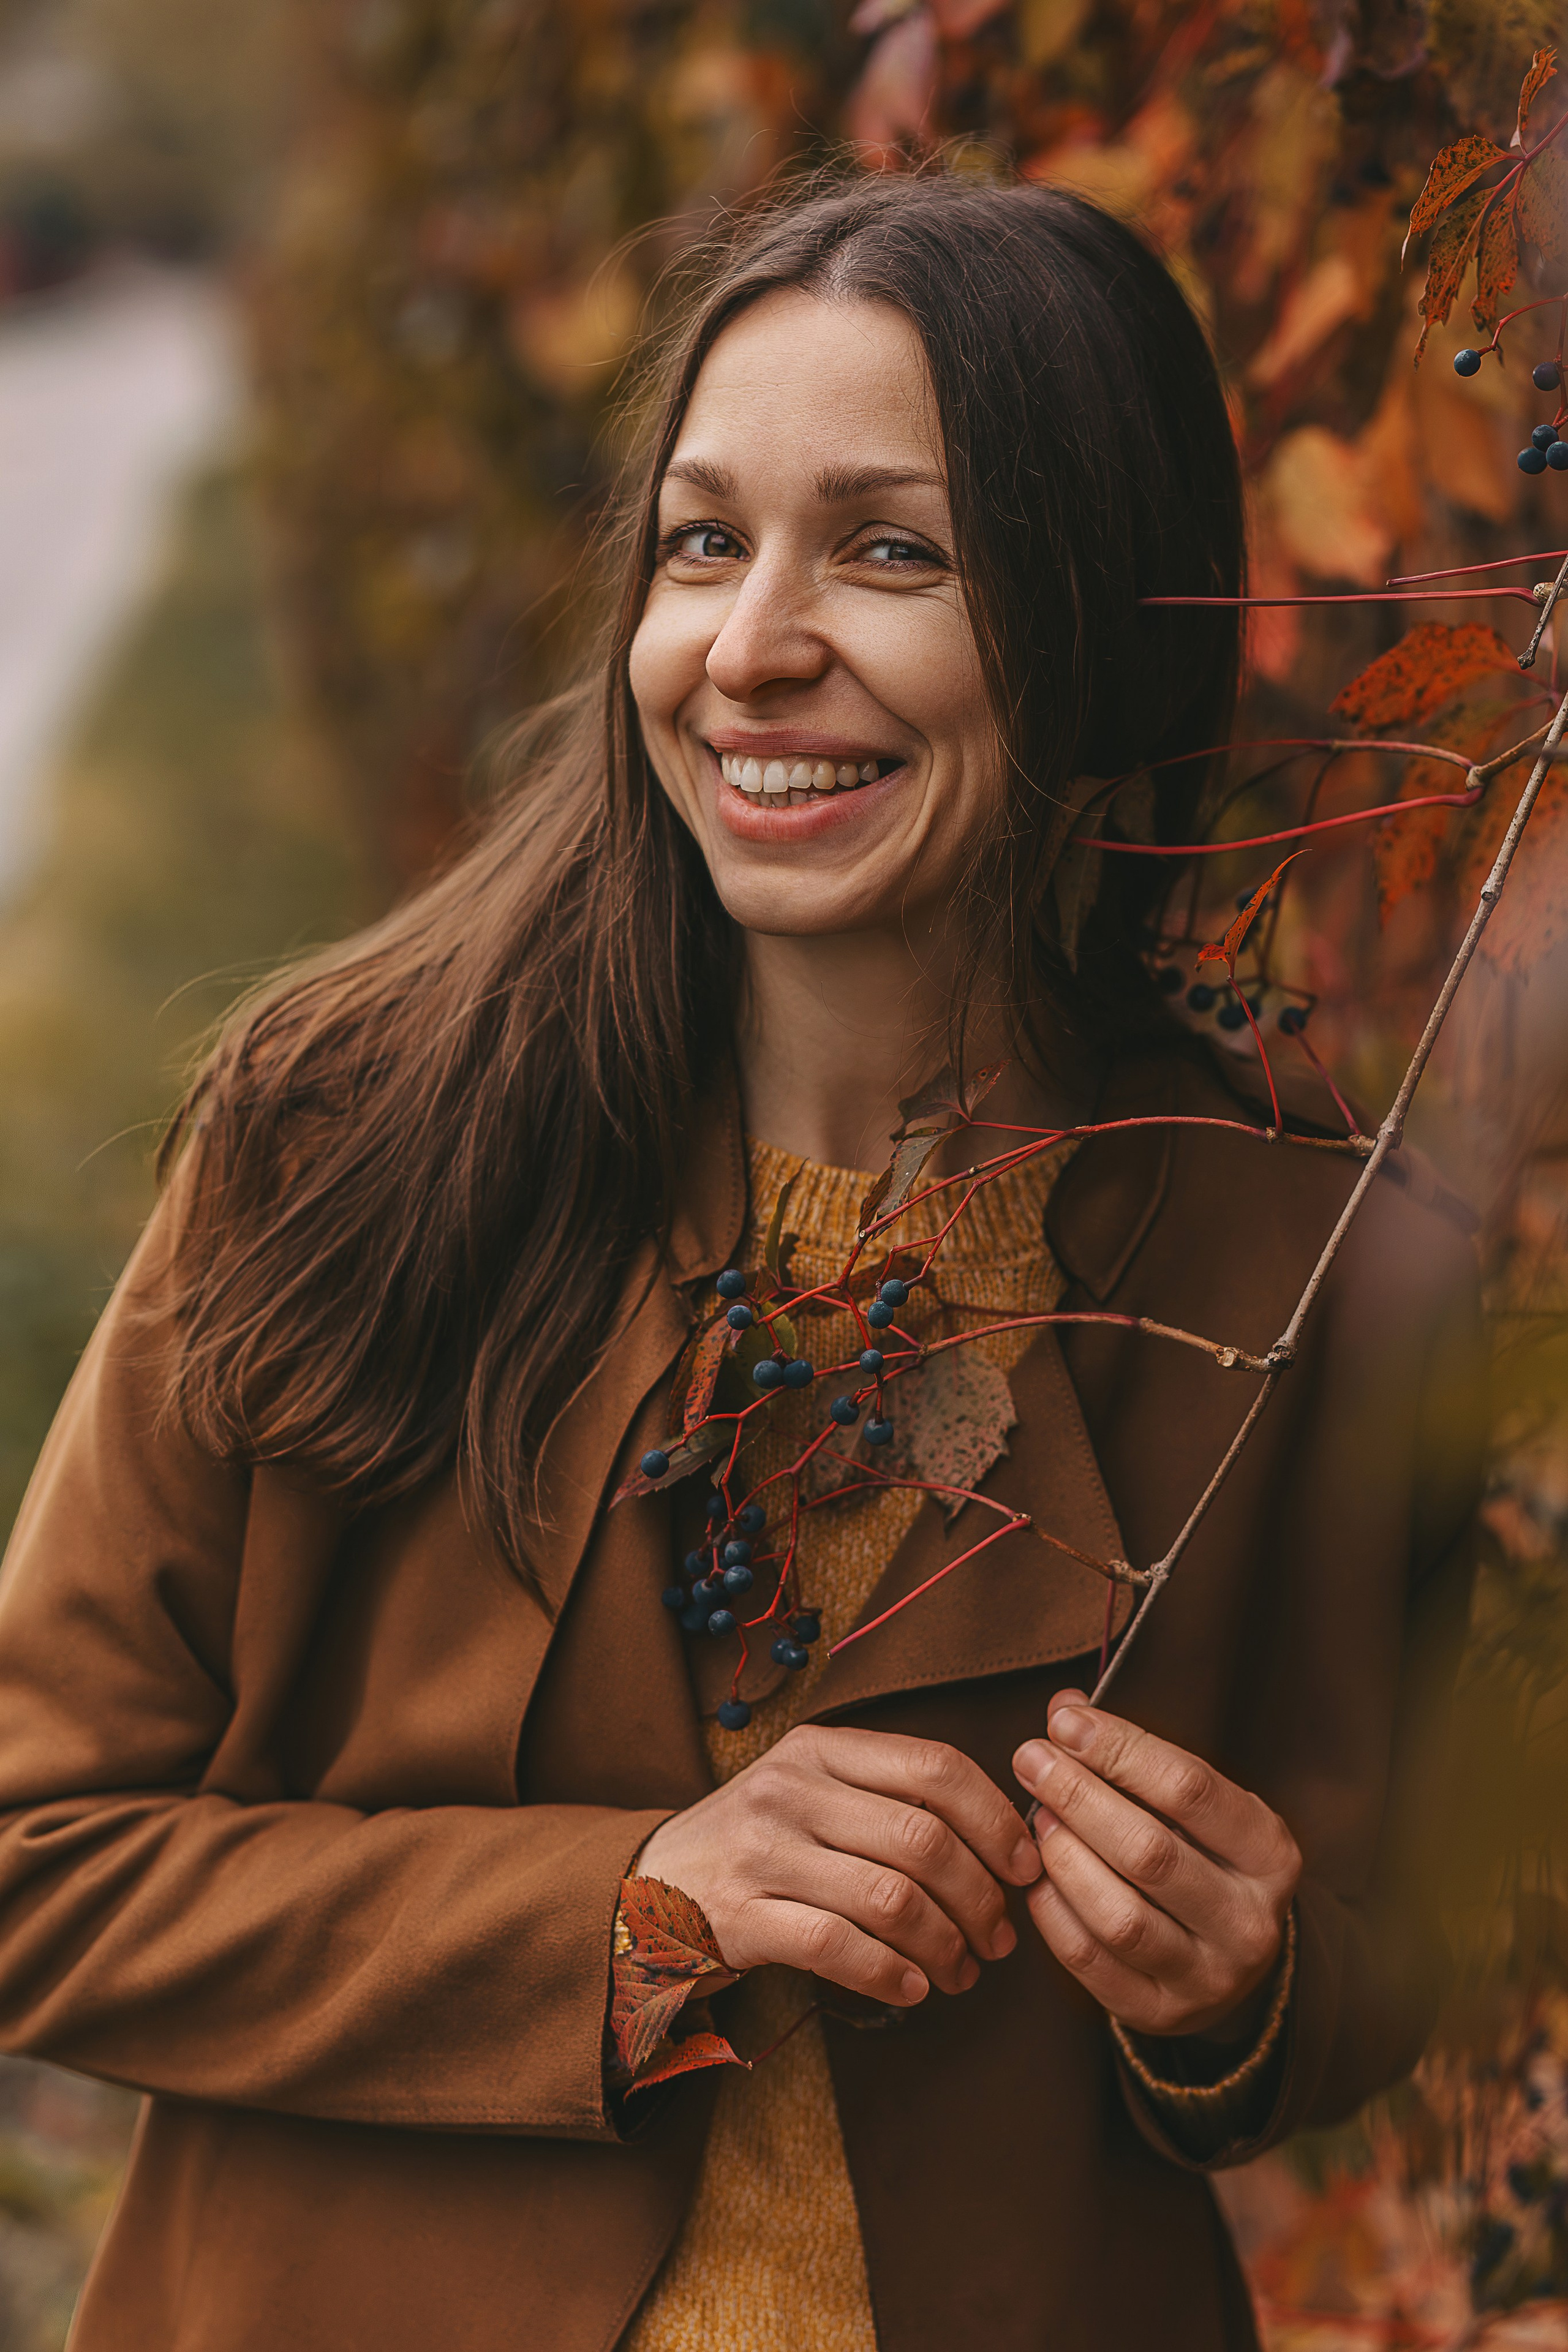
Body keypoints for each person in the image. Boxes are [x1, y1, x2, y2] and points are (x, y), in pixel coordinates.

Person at [0, 173, 1482, 2352]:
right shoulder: (344, 1145)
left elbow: (1371, 1953)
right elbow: (33, 1858)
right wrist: (626, 1908)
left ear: (1107, 624)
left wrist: (1245, 1985)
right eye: (704, 544)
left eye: (892, 552)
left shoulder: (1307, 1255)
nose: (749, 645)